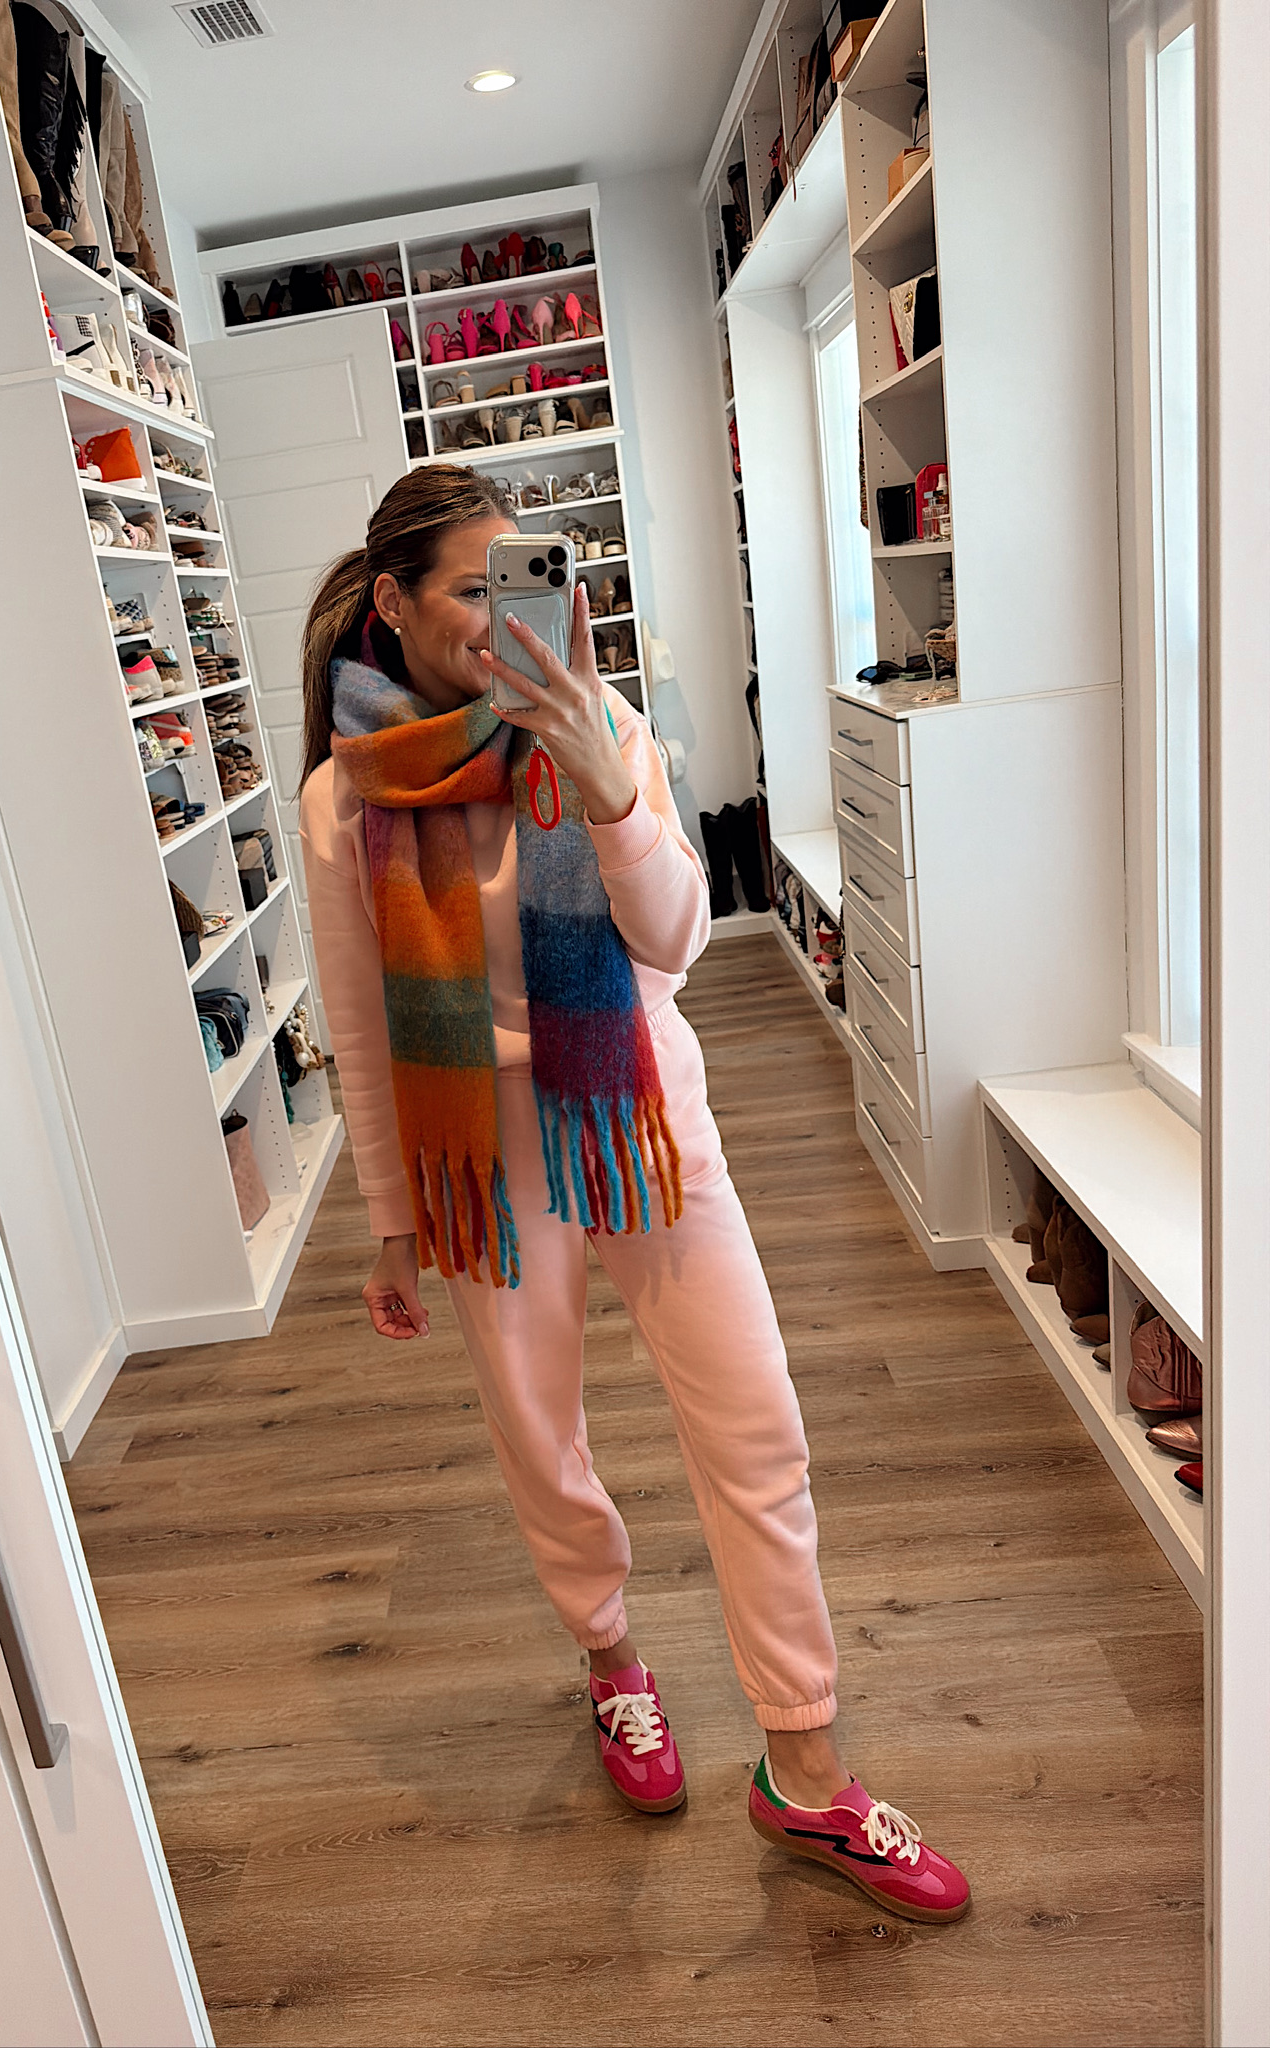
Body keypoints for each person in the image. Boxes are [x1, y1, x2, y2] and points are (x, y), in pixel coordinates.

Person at [298, 465, 969, 1924]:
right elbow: (358, 1023)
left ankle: (805, 1768)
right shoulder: (345, 794)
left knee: (755, 1422)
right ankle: (612, 1662)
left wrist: (600, 779)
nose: (501, 621)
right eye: (470, 590)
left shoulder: (601, 729)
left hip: (640, 1117)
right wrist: (394, 1224)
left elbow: (675, 941)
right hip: (484, 1150)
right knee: (541, 1436)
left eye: (522, 586)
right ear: (393, 601)